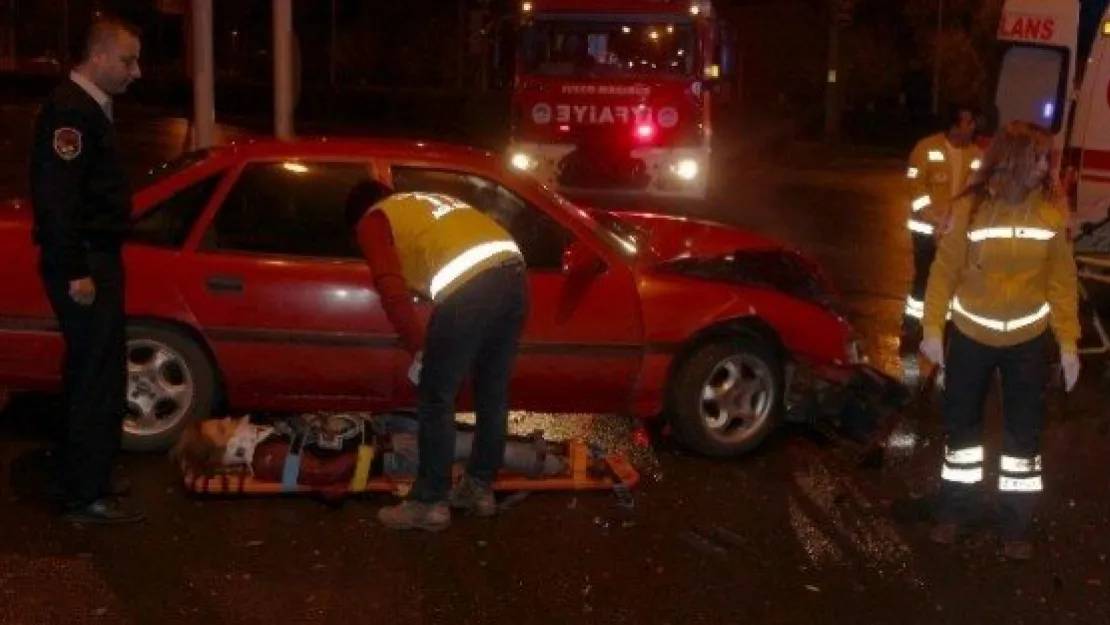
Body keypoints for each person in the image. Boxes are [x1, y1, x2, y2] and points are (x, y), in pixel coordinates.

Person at [919, 120, 1080, 561]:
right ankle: (955, 512)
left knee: (1023, 440)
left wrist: (1068, 342)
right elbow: (943, 273)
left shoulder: (1051, 213)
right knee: (962, 433)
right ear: (1016, 159)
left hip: (1028, 341)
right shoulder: (968, 210)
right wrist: (932, 328)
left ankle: (1015, 525)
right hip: (971, 337)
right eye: (1042, 157)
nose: (1048, 166)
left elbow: (1062, 283)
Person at [345, 181, 530, 532]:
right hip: (516, 277)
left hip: (473, 287)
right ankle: (478, 490)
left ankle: (429, 502)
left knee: (434, 397)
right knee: (491, 393)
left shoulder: (373, 219)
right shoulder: (426, 201)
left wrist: (419, 348)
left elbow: (390, 288)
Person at [30, 17, 144, 524]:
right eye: (127, 60)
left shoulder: (90, 109)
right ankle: (83, 492)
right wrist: (75, 268)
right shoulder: (71, 113)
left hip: (96, 258)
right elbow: (58, 201)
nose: (135, 71)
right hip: (86, 262)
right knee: (93, 376)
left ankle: (90, 477)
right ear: (97, 57)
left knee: (98, 371)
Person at [900, 106, 984, 379]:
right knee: (924, 281)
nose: (973, 127)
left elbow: (979, 190)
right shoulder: (926, 148)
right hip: (926, 229)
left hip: (955, 233)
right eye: (969, 122)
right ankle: (912, 329)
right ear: (955, 125)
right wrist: (932, 217)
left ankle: (942, 331)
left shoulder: (976, 155)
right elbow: (915, 186)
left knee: (951, 282)